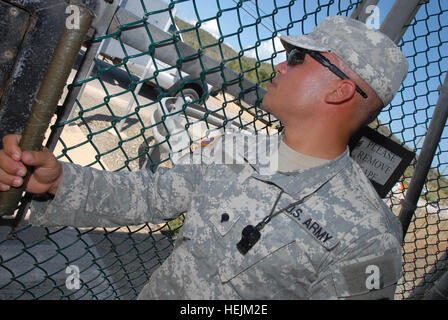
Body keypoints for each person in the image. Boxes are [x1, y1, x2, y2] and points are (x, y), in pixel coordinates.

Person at [0, 16, 408, 299]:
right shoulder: (236, 148)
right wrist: (57, 182)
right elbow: (147, 195)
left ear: (340, 91)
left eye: (300, 58)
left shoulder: (369, 235)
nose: (281, 65)